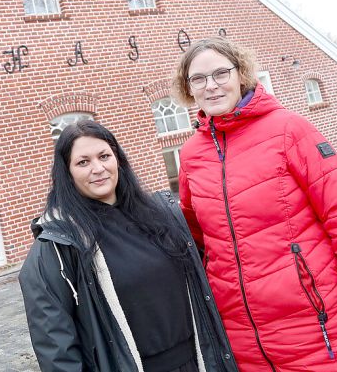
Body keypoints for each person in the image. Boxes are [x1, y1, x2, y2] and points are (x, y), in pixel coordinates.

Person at [171, 37, 337, 372]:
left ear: (241, 74)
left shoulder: (289, 131)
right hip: (244, 347)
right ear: (188, 88)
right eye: (199, 79)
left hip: (320, 336)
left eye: (221, 73)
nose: (212, 86)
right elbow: (198, 242)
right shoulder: (192, 155)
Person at [19, 120, 238, 372]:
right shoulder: (58, 245)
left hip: (198, 363)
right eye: (83, 162)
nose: (98, 168)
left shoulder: (161, 216)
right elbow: (56, 348)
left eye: (104, 156)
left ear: (118, 160)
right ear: (67, 173)